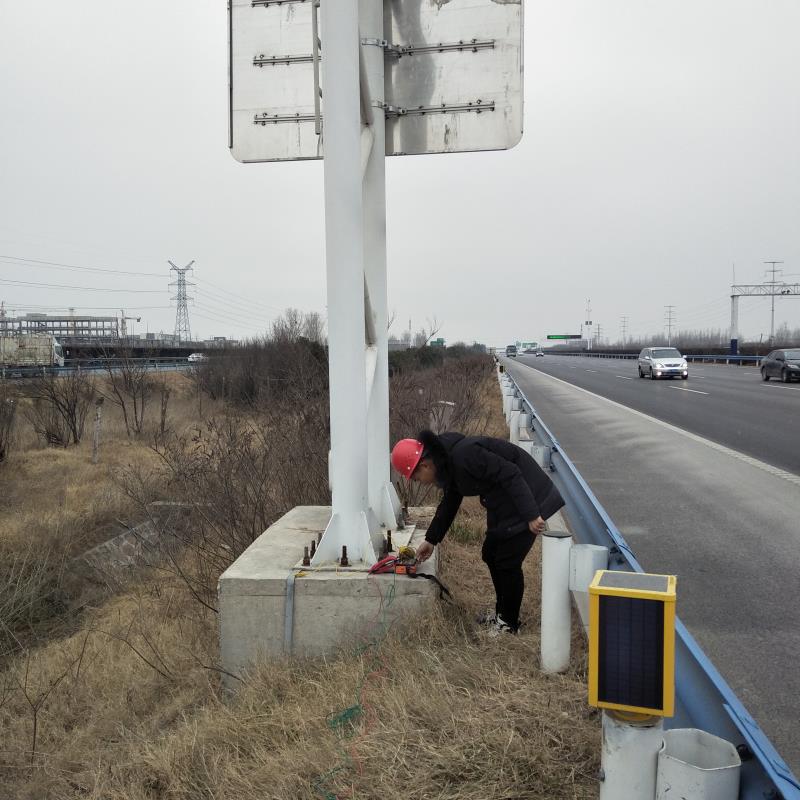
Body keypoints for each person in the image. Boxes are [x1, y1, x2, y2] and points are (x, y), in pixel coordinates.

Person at [391, 430, 565, 635]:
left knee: (507, 561)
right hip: (506, 501)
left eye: (418, 478)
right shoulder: (447, 463)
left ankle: (509, 624)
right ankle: (502, 615)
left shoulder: (465, 456)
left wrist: (531, 514)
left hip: (530, 498)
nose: (421, 482)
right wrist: (431, 540)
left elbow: (510, 473)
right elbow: (450, 502)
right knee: (490, 553)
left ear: (425, 465)